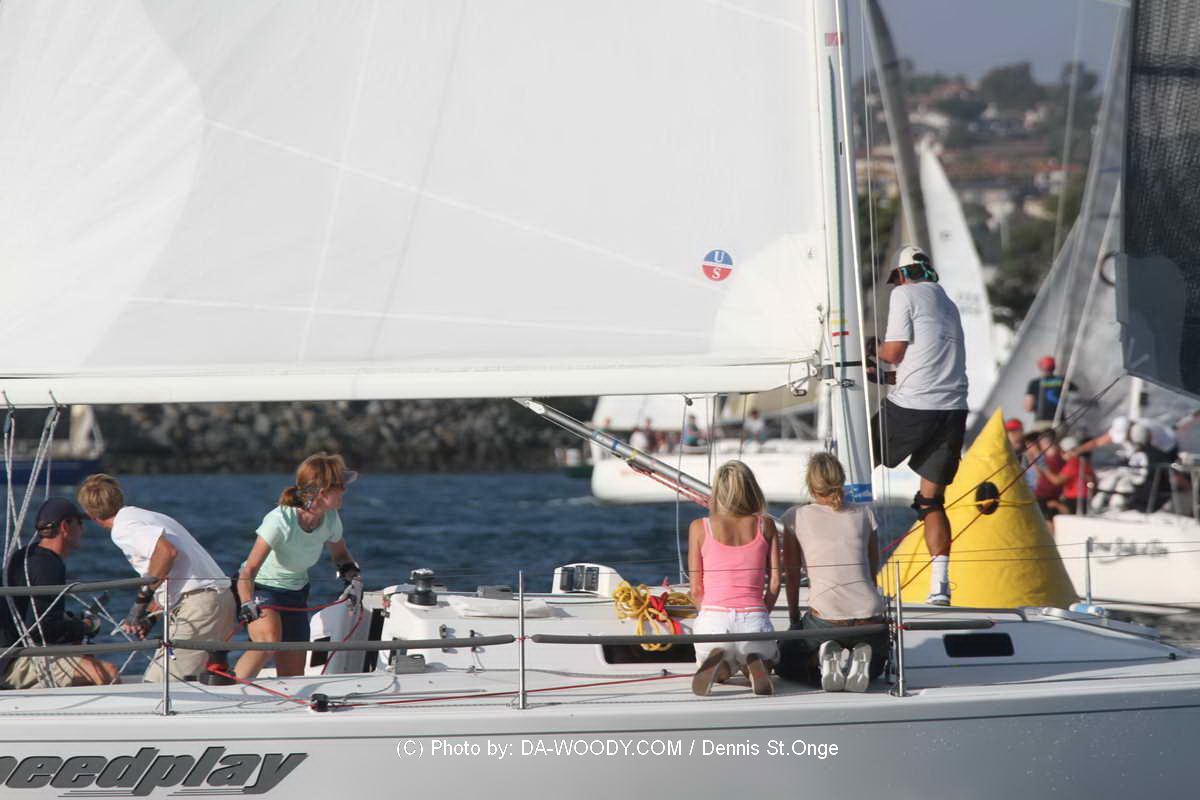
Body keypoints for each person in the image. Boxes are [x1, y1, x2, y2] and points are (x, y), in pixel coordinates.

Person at [872, 245, 968, 606]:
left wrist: (871, 347)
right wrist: (883, 376)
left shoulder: (904, 294)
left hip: (913, 407)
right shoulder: (948, 303)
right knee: (931, 502)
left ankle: (848, 573)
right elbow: (925, 363)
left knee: (844, 469)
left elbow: (893, 352)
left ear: (902, 274)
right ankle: (940, 588)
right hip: (952, 409)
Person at [77, 474, 236, 682]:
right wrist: (150, 617)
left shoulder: (123, 528)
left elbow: (166, 552)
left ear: (90, 514)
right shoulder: (147, 516)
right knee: (195, 682)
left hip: (200, 607)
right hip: (217, 600)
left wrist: (139, 605)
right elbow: (166, 573)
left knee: (159, 684)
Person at [235, 453, 363, 680]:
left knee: (293, 674)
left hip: (296, 593)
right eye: (340, 486)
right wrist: (246, 603)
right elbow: (249, 570)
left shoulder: (331, 518)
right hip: (261, 589)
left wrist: (352, 577)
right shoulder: (280, 520)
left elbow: (341, 555)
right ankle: (230, 691)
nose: (345, 490)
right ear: (322, 492)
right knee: (268, 642)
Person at [778, 453, 885, 692]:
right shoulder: (865, 514)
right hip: (869, 615)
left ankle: (821, 655)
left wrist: (794, 620)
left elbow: (792, 576)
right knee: (877, 668)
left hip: (826, 617)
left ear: (810, 485)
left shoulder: (795, 516)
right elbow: (872, 571)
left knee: (785, 661)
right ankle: (858, 651)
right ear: (842, 480)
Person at [0, 498, 119, 689]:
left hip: (12, 654)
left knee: (87, 665)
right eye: (79, 523)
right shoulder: (48, 565)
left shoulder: (24, 556)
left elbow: (30, 616)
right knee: (107, 672)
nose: (83, 530)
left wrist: (68, 621)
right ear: (65, 526)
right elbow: (43, 630)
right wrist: (85, 626)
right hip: (12, 663)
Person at [687, 460, 780, 697]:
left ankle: (719, 666)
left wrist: (708, 614)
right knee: (768, 661)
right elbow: (775, 583)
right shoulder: (766, 525)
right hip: (754, 619)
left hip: (713, 622)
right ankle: (754, 664)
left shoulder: (699, 527)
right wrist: (762, 611)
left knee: (717, 669)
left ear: (718, 491)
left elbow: (696, 590)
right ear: (752, 489)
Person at [1041, 436, 1096, 516]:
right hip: (1085, 500)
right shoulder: (1084, 463)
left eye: (1062, 452)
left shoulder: (1073, 463)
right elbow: (1094, 481)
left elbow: (1057, 481)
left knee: (1048, 507)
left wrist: (1044, 468)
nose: (1061, 454)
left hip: (1074, 501)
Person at [1024, 356, 1075, 430]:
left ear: (1040, 367)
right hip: (1059, 422)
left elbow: (1028, 407)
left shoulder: (1035, 383)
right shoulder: (1063, 381)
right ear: (1054, 368)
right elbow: (1076, 396)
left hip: (1041, 423)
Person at [1032, 431, 1066, 526]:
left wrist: (1043, 467)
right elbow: (1039, 476)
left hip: (1047, 496)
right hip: (1046, 495)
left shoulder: (1056, 458)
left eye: (1041, 443)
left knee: (1047, 521)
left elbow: (1055, 480)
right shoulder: (1052, 457)